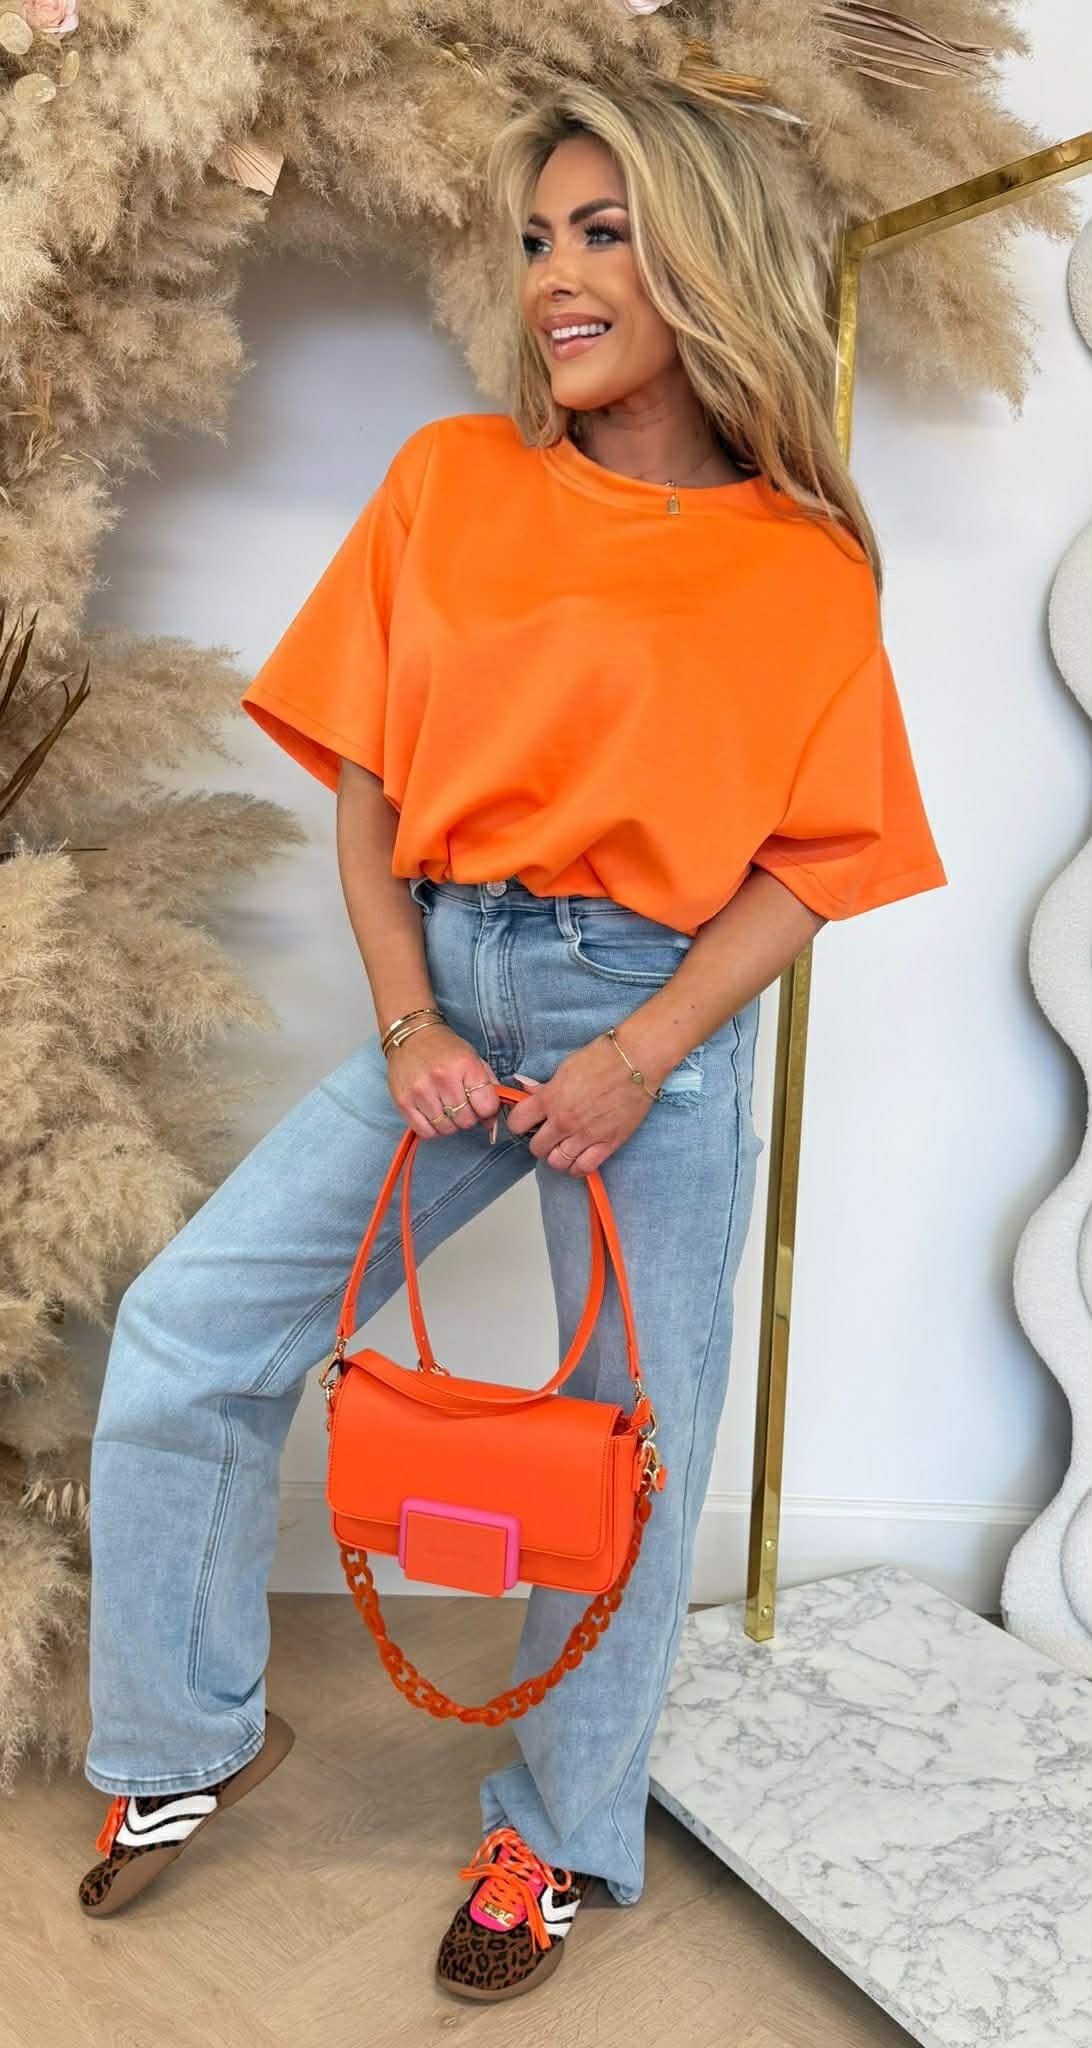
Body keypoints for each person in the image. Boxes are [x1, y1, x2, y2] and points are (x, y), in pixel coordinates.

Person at [78, 74, 947, 2004]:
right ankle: (187, 1733)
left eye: (603, 233)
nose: (556, 276)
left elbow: (815, 864)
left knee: (629, 1441)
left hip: (660, 1023)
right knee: (193, 1329)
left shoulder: (803, 560)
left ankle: (551, 1835)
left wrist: (640, 1054)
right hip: (452, 989)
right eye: (540, 238)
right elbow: (369, 787)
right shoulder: (451, 481)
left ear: (704, 259)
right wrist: (407, 1018)